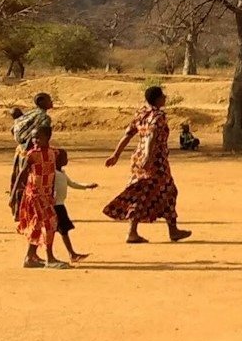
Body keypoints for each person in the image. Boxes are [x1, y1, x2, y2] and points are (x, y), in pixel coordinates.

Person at [102, 86, 190, 244]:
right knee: (168, 190)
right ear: (157, 99)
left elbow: (128, 134)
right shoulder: (158, 115)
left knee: (141, 193)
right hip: (155, 161)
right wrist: (149, 156)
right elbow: (152, 135)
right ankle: (171, 231)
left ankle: (136, 231)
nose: (165, 98)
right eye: (163, 95)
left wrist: (116, 154)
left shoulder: (141, 113)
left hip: (138, 159)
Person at [15, 123, 64, 269]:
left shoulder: (53, 153)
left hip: (46, 195)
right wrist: (13, 195)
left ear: (47, 138)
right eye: (33, 137)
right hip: (35, 195)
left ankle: (30, 257)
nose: (35, 140)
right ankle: (50, 258)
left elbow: (53, 173)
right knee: (50, 223)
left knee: (38, 225)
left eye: (38, 137)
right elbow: (22, 174)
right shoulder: (32, 154)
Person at [52, 148, 93, 263]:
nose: (67, 160)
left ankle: (71, 253)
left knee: (62, 230)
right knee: (62, 230)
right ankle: (71, 254)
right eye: (64, 158)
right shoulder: (53, 173)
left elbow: (72, 184)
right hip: (55, 206)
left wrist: (87, 186)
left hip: (60, 205)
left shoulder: (62, 173)